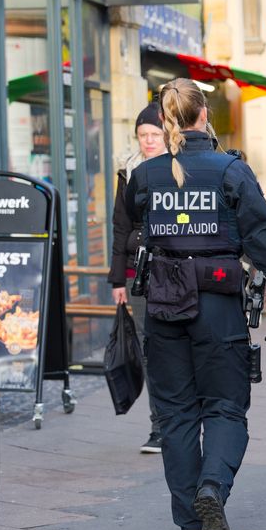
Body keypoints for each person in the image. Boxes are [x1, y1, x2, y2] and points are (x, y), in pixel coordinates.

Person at [124, 78, 266, 530]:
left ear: (165, 121)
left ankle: (191, 529)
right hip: (218, 305)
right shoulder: (231, 171)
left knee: (176, 416)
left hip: (165, 305)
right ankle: (212, 487)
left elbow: (133, 230)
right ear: (204, 115)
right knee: (226, 408)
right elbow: (264, 243)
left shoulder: (145, 176)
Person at [109, 103, 168, 453]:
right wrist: (118, 280)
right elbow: (120, 227)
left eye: (154, 134)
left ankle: (183, 418)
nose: (148, 141)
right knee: (150, 349)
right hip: (139, 274)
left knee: (177, 346)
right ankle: (158, 426)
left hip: (175, 269)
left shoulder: (179, 168)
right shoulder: (128, 172)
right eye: (143, 135)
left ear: (167, 136)